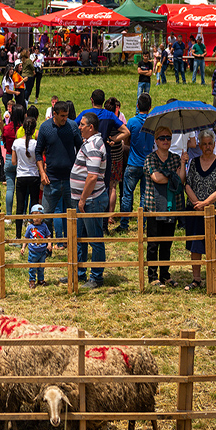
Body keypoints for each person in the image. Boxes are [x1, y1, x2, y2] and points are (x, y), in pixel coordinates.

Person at [183, 130, 216, 290]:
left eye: (210, 144)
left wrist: (205, 204)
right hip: (194, 209)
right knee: (195, 244)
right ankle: (196, 279)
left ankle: (211, 278)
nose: (207, 147)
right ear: (199, 145)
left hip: (212, 211)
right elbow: (187, 184)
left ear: (214, 145)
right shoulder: (193, 162)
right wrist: (197, 203)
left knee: (211, 245)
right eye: (205, 144)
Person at [144, 126, 184, 286]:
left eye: (168, 137)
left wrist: (182, 163)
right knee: (153, 243)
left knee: (167, 243)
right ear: (156, 140)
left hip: (171, 205)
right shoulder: (150, 159)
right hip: (153, 206)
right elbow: (156, 178)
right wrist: (173, 176)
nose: (165, 140)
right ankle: (152, 276)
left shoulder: (175, 158)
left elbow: (180, 180)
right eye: (162, 138)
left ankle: (165, 274)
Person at [71, 112, 108, 288]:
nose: (79, 127)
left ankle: (96, 277)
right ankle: (80, 274)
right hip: (86, 200)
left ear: (91, 127)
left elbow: (92, 177)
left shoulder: (93, 145)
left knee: (94, 238)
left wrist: (82, 199)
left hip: (91, 200)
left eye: (82, 124)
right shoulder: (90, 143)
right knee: (80, 238)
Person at [35, 100, 80, 242]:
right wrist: (42, 172)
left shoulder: (72, 126)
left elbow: (80, 148)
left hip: (70, 180)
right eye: (62, 116)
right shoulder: (45, 128)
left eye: (66, 115)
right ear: (54, 114)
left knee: (73, 217)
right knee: (47, 216)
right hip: (51, 180)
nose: (65, 118)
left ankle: (73, 249)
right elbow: (38, 152)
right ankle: (46, 248)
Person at [117, 93, 154, 233]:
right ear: (150, 107)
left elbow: (126, 141)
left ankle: (124, 224)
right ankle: (142, 224)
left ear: (137, 106)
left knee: (127, 195)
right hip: (148, 164)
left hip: (133, 163)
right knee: (145, 195)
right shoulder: (152, 122)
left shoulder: (132, 122)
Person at [11, 116, 40, 242]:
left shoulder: (16, 143)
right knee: (34, 205)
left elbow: (13, 162)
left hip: (21, 176)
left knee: (19, 206)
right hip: (34, 176)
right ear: (34, 130)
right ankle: (34, 233)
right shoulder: (36, 144)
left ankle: (18, 235)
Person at [24, 203, 52, 288]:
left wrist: (49, 244)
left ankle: (41, 279)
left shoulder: (44, 226)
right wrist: (23, 247)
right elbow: (26, 238)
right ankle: (32, 280)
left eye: (39, 216)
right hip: (33, 251)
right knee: (32, 267)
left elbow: (48, 236)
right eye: (34, 216)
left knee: (41, 266)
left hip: (42, 251)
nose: (37, 218)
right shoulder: (30, 227)